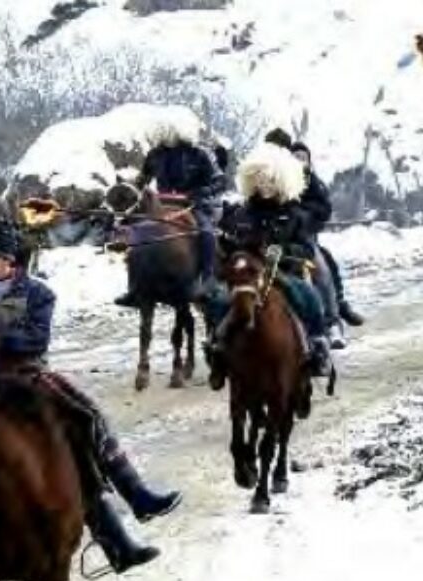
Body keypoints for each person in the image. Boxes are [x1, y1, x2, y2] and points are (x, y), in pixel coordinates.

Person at [0, 219, 182, 574]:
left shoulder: (38, 294)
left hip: (23, 378)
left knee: (84, 419)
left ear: (5, 259)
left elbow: (37, 340)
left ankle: (131, 511)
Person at [205, 143, 333, 390]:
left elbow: (306, 247)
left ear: (282, 180)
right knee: (219, 300)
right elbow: (232, 244)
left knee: (307, 294)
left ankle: (317, 344)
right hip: (248, 276)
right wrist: (228, 249)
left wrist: (285, 252)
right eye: (260, 179)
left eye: (270, 179)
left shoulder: (295, 213)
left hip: (283, 272)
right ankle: (218, 350)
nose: (265, 185)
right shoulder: (242, 213)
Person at [116, 111, 224, 306]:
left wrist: (200, 193)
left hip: (194, 204)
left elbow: (219, 181)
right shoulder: (155, 154)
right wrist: (131, 189)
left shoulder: (200, 154)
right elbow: (143, 179)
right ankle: (134, 287)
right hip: (163, 203)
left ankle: (208, 279)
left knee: (206, 232)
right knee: (137, 233)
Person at [289, 139, 365, 327]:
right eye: (295, 157)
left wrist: (304, 216)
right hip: (275, 238)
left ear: (308, 161)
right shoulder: (277, 180)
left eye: (302, 157)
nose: (299, 161)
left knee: (324, 268)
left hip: (305, 239)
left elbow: (324, 210)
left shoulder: (314, 183)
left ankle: (335, 314)